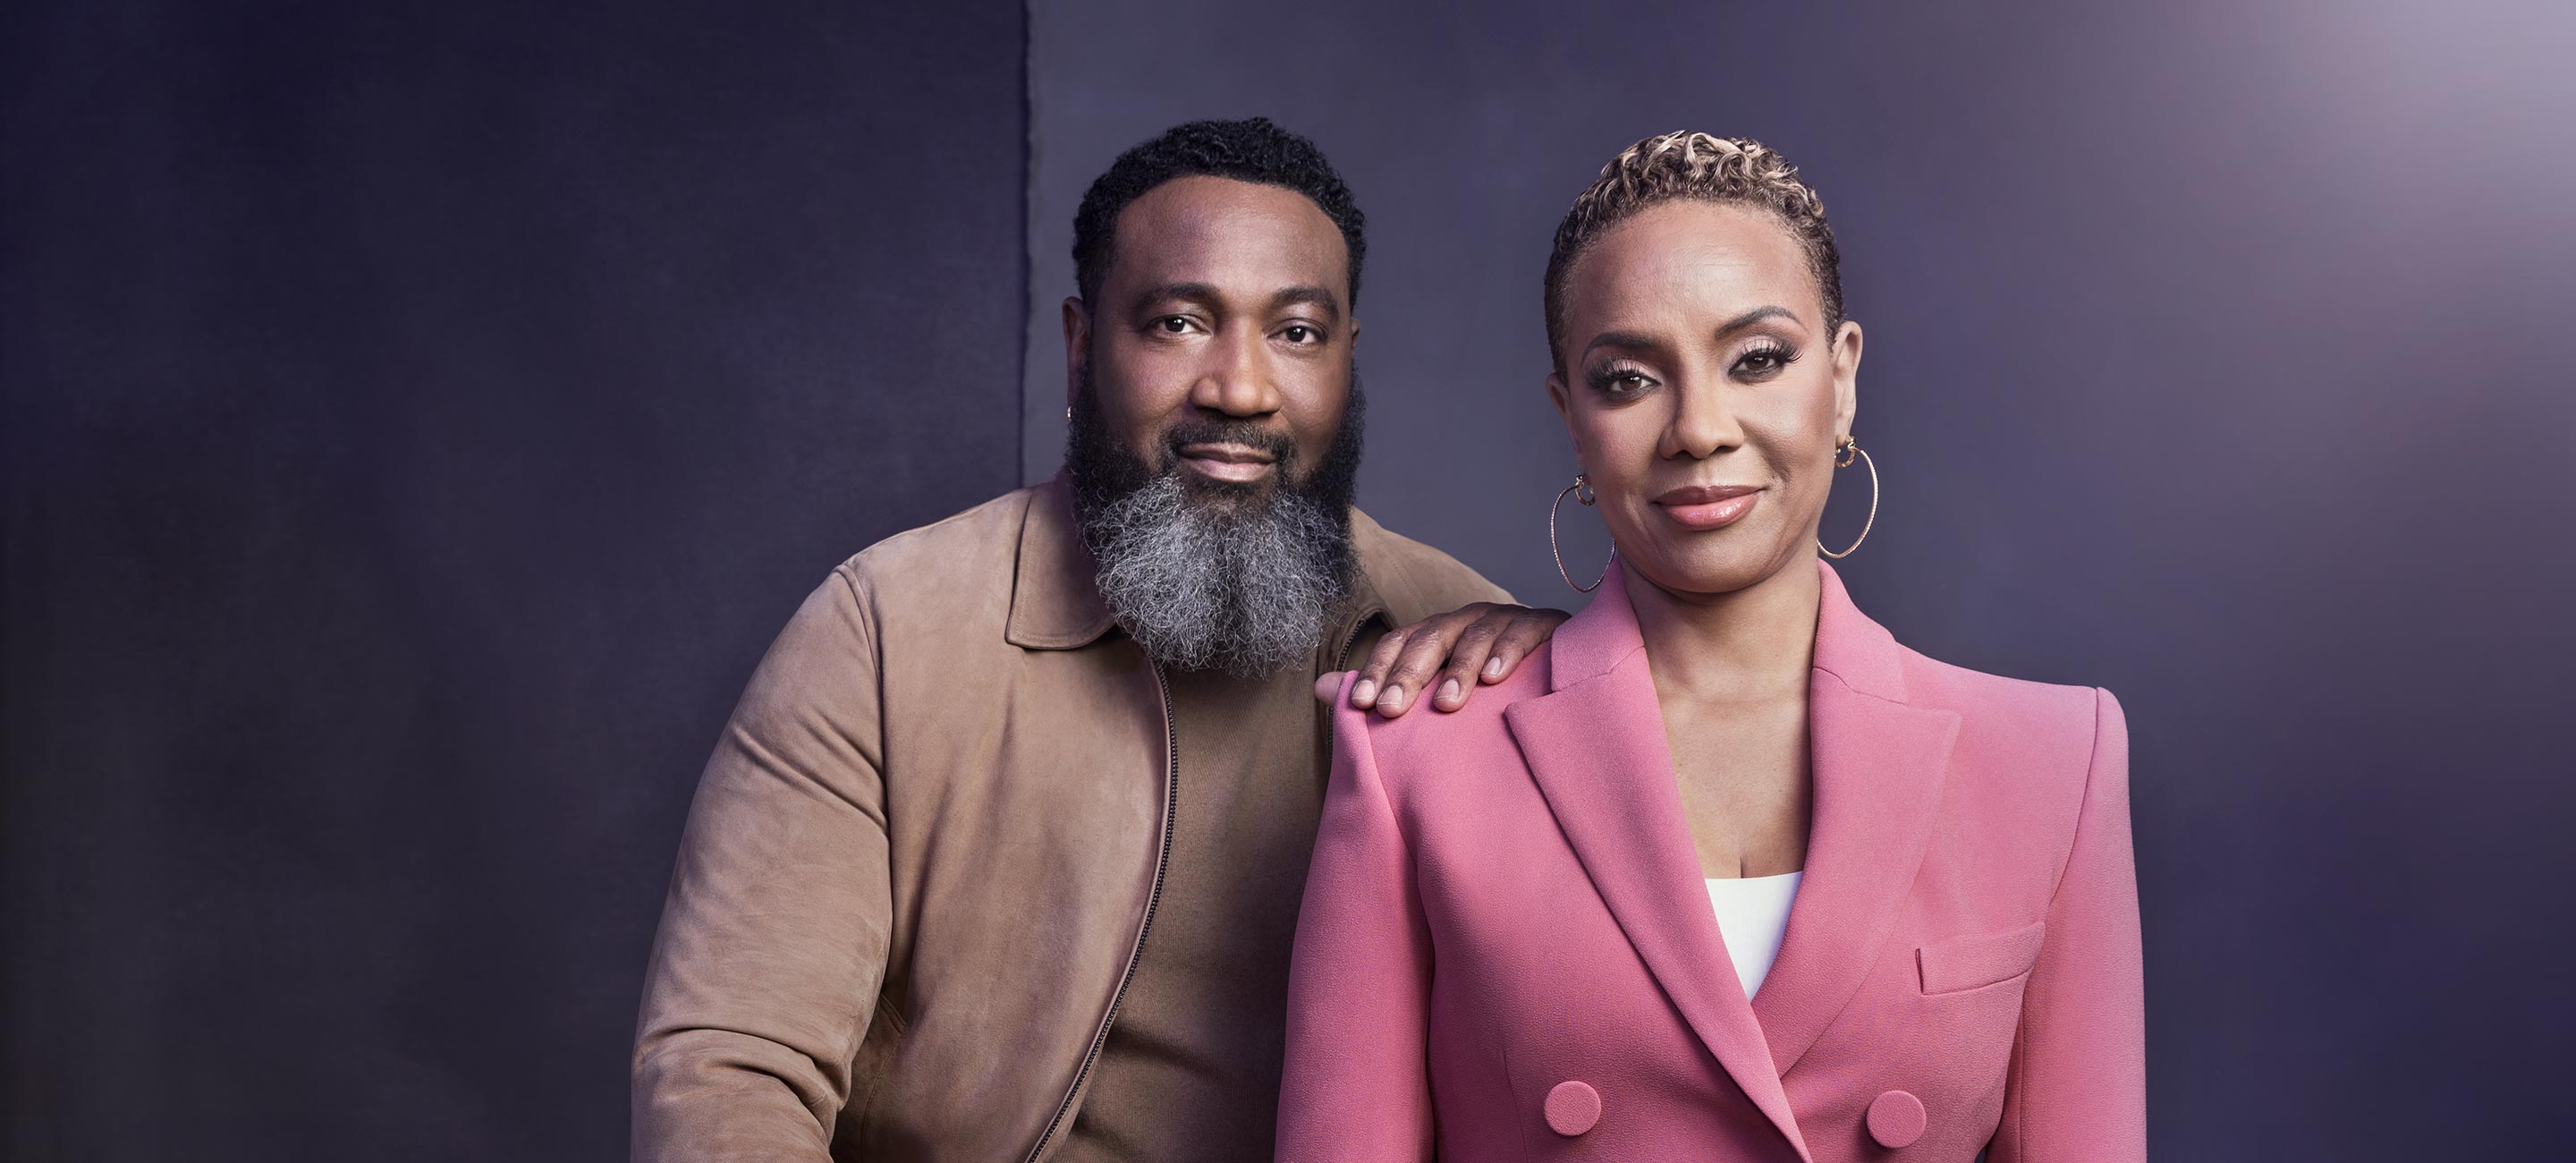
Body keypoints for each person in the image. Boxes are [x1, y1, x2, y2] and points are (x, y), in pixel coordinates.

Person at [630, 117, 1566, 1162]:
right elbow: (728, 1074)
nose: (1240, 388)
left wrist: (1573, 668)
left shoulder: (1462, 642)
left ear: (1348, 363)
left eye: (1296, 332)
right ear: (1083, 349)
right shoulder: (887, 629)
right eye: (1176, 322)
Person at [1275, 132, 2145, 1162]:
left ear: (1844, 379)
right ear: (1571, 420)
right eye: (1630, 378)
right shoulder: (1409, 760)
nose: (1699, 427)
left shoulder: (2055, 760)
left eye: (1759, 360)